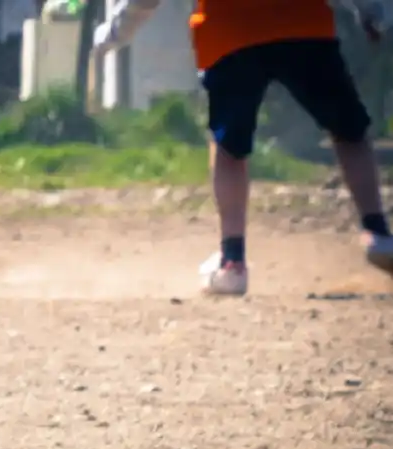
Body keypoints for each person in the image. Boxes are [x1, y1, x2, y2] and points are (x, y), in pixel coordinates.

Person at [93, 0, 393, 295]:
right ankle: (377, 231)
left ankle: (232, 263)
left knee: (229, 146)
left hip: (229, 32)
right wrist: (372, 12)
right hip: (302, 22)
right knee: (349, 131)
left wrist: (113, 34)